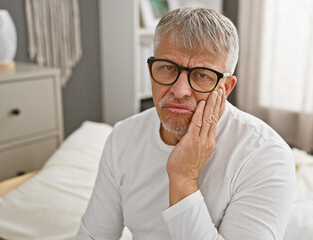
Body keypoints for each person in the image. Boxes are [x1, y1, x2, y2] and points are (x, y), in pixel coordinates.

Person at [77, 7, 294, 240]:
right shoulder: (123, 137)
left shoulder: (266, 156)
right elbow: (93, 235)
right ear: (151, 71)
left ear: (226, 87)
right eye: (168, 68)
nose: (180, 91)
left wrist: (183, 178)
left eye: (202, 75)